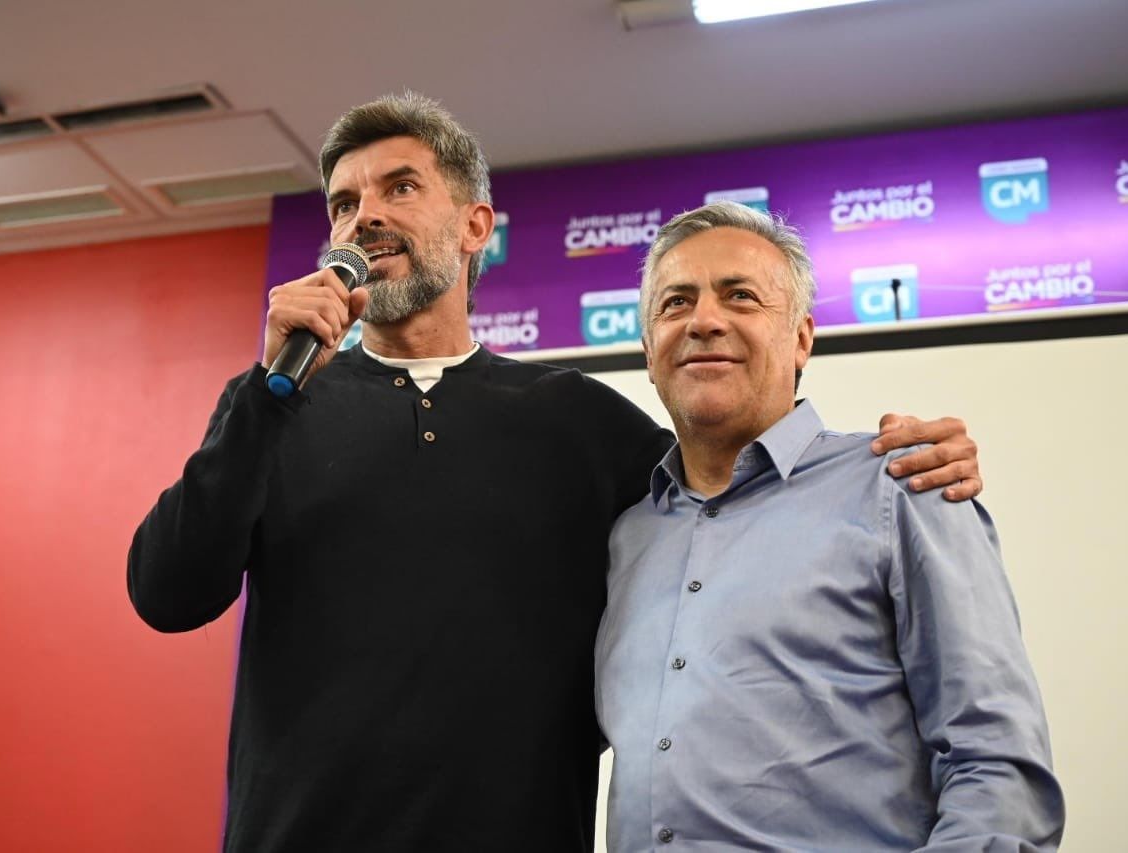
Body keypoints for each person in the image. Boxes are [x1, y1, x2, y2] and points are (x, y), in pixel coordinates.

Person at [128, 93, 985, 852]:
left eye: (400, 188)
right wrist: (266, 391)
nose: (365, 218)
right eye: (343, 203)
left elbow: (733, 492)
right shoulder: (273, 405)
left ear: (475, 226)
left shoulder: (582, 420)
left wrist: (880, 459)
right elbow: (168, 593)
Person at [595, 201, 1064, 852]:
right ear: (650, 352)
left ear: (801, 339)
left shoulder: (903, 488)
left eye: (740, 296)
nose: (704, 320)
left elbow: (995, 765)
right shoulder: (627, 537)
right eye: (676, 303)